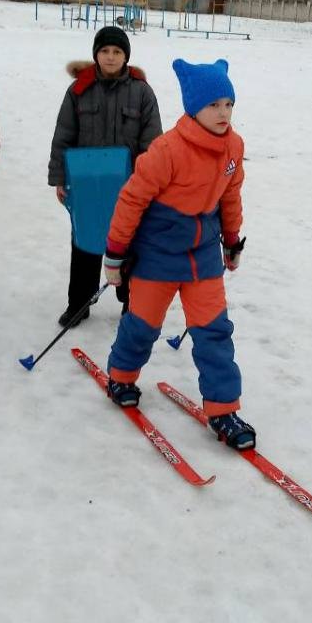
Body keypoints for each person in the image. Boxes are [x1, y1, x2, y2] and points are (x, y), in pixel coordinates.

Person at [102, 58, 253, 450]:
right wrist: (115, 255)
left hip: (202, 254)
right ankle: (121, 374)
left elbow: (230, 196)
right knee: (143, 325)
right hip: (158, 253)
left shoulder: (234, 147)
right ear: (193, 107)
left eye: (228, 104)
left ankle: (224, 410)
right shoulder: (167, 150)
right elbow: (131, 199)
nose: (223, 113)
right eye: (213, 105)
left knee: (214, 332)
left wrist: (231, 241)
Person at [48, 25, 162, 327]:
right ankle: (79, 303)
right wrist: (60, 178)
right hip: (86, 186)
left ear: (126, 56)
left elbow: (152, 142)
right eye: (105, 51)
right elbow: (63, 136)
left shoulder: (141, 92)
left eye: (117, 52)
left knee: (128, 244)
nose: (110, 57)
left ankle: (131, 304)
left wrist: (148, 182)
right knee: (85, 242)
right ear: (96, 54)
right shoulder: (78, 91)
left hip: (128, 187)